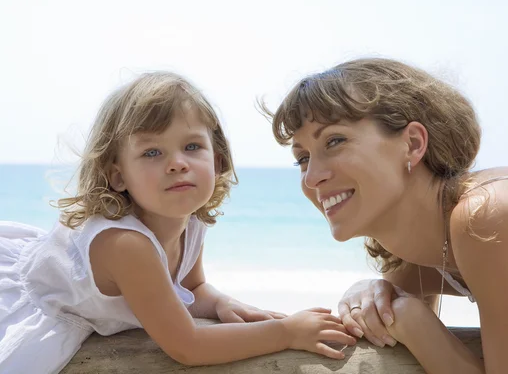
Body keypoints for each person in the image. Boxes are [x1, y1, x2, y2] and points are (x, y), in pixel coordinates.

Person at [0, 71, 356, 374]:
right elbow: (186, 346)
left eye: (191, 147)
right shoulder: (126, 245)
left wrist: (218, 303)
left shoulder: (189, 220)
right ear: (118, 175)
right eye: (152, 152)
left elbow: (192, 287)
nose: (177, 163)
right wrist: (286, 333)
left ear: (216, 162)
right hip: (35, 307)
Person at [262, 57, 508, 373]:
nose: (311, 177)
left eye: (335, 141)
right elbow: (388, 317)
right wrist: (369, 290)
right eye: (302, 157)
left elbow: (411, 322)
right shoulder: (412, 249)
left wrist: (417, 323)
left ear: (412, 143)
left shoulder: (488, 216)